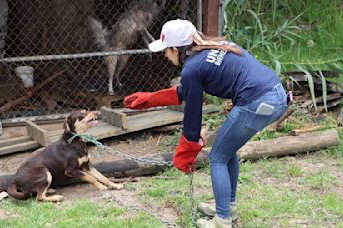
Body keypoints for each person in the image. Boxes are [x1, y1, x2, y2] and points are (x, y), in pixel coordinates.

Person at [123, 19, 287, 228]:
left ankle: (222, 220)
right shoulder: (216, 47)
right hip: (276, 95)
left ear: (175, 49)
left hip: (257, 102)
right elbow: (188, 91)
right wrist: (150, 99)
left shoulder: (192, 68)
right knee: (228, 151)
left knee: (218, 156)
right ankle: (228, 208)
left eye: (166, 50)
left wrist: (187, 148)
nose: (165, 55)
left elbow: (193, 112)